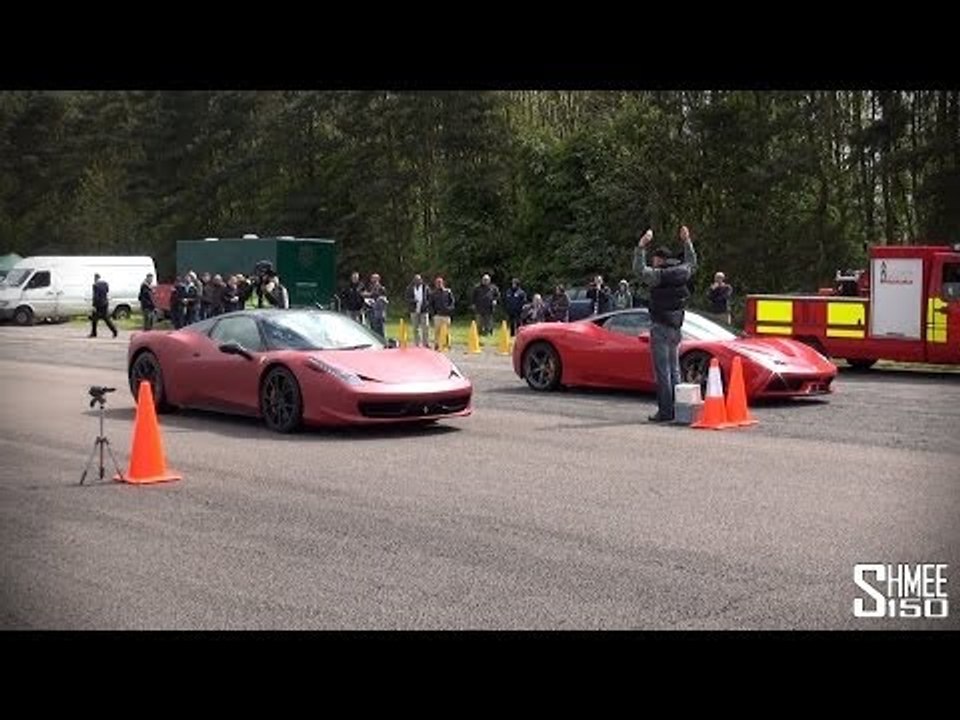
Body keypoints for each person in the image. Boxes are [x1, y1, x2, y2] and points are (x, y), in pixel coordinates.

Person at [634, 225, 698, 423]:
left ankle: (665, 411)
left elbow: (639, 270)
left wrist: (641, 246)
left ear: (660, 260)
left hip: (660, 325)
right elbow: (692, 263)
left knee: (663, 372)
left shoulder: (658, 276)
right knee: (675, 369)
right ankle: (678, 410)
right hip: (676, 326)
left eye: (654, 259)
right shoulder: (683, 272)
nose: (653, 262)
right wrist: (687, 241)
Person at [405, 273, 431, 347]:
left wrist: (427, 304)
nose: (417, 281)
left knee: (425, 327)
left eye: (419, 280)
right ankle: (417, 344)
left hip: (424, 310)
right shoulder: (409, 288)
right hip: (414, 310)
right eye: (416, 280)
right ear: (413, 280)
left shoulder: (426, 288)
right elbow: (407, 298)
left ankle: (425, 343)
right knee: (415, 328)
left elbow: (430, 297)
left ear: (421, 280)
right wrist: (413, 301)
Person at [429, 276, 455, 350]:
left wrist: (449, 309)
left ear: (443, 283)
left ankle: (448, 344)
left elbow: (452, 302)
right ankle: (437, 344)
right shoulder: (433, 293)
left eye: (440, 282)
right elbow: (431, 304)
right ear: (435, 284)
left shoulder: (448, 292)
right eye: (437, 283)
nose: (439, 284)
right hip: (437, 315)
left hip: (446, 315)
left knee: (447, 331)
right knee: (437, 331)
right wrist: (433, 313)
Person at [88, 273, 118, 338]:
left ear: (95, 278)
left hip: (98, 304)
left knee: (94, 319)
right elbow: (107, 291)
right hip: (105, 303)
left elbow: (95, 296)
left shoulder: (95, 285)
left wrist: (94, 305)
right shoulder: (105, 284)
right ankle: (114, 330)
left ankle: (94, 333)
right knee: (106, 318)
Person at [365, 273, 388, 338]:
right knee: (372, 328)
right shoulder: (370, 287)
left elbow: (384, 300)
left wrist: (376, 300)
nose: (373, 279)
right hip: (370, 310)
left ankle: (382, 342)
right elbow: (367, 295)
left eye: (374, 278)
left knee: (380, 329)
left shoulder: (381, 288)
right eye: (372, 278)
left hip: (379, 312)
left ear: (378, 279)